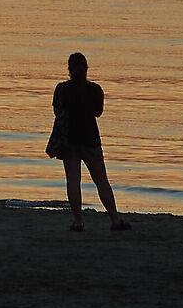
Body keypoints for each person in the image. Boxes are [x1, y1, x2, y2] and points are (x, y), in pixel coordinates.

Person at [50, 52, 129, 232]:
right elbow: (98, 113)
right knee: (101, 180)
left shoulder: (62, 89)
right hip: (90, 139)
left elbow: (57, 111)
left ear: (69, 70)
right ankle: (115, 219)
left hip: (69, 139)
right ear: (86, 69)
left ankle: (78, 222)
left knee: (73, 180)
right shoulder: (95, 90)